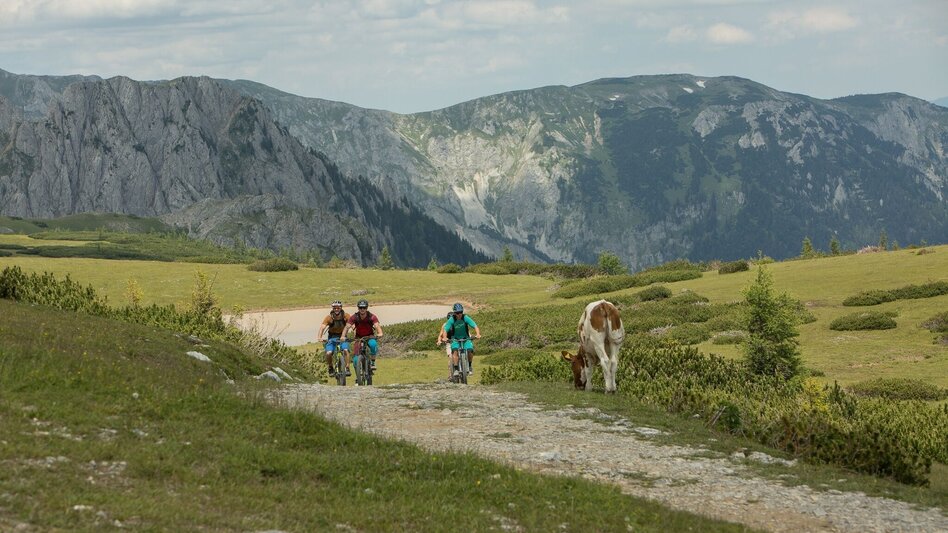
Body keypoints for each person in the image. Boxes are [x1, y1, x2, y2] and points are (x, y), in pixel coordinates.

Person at [341, 299, 384, 371]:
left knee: (373, 345)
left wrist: (380, 333)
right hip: (358, 338)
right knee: (355, 360)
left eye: (364, 308)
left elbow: (377, 326)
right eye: (360, 308)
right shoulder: (354, 317)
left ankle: (373, 362)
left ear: (367, 308)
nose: (362, 309)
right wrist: (343, 336)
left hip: (369, 336)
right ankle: (358, 376)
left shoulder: (372, 316)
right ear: (358, 308)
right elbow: (347, 327)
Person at [443, 302, 480, 377]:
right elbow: (445, 330)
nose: (459, 314)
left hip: (466, 338)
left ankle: (469, 366)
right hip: (455, 339)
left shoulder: (465, 317)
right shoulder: (451, 319)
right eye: (457, 313)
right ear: (454, 313)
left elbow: (475, 325)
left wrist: (478, 334)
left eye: (461, 312)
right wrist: (445, 337)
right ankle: (456, 369)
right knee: (455, 351)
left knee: (470, 350)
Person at [317, 300, 350, 377]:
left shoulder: (346, 316)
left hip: (343, 337)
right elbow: (322, 327)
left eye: (338, 308)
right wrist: (319, 337)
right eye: (334, 308)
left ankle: (347, 367)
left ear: (341, 308)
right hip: (332, 337)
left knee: (346, 350)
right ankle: (330, 367)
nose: (336, 309)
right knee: (328, 353)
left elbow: (353, 325)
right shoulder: (329, 317)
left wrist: (356, 334)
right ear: (332, 308)